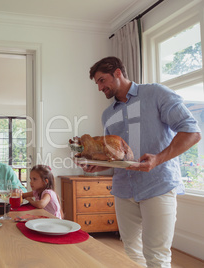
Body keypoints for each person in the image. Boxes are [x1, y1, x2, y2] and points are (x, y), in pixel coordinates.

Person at [85, 56, 201, 267]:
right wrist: (97, 165)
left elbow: (192, 131)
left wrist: (158, 159)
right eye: (98, 83)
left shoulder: (156, 93)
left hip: (157, 185)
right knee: (130, 250)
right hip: (123, 190)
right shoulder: (107, 115)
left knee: (156, 255)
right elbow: (116, 157)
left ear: (118, 73)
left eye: (102, 80)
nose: (100, 87)